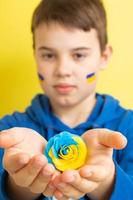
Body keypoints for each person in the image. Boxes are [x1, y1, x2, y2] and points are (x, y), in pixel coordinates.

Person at [0, 0, 133, 199]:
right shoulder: (12, 132)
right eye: (48, 55)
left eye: (78, 55)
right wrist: (18, 185)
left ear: (104, 56)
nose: (62, 70)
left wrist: (106, 182)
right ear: (35, 55)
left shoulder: (127, 129)